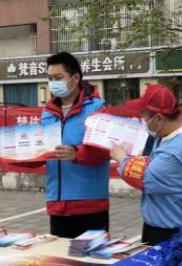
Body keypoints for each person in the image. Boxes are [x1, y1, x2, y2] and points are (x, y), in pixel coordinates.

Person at [14, 52, 110, 237]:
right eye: (50, 78)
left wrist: (76, 153)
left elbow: (106, 150)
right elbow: (41, 153)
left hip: (89, 206)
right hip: (57, 205)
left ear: (76, 78)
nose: (53, 83)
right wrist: (11, 153)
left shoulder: (97, 108)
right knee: (59, 256)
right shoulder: (48, 111)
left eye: (58, 78)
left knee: (90, 256)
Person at [110, 84, 182, 244]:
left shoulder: (178, 150)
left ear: (159, 118)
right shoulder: (171, 132)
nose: (142, 120)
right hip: (162, 221)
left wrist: (121, 158)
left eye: (144, 116)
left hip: (173, 230)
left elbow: (146, 178)